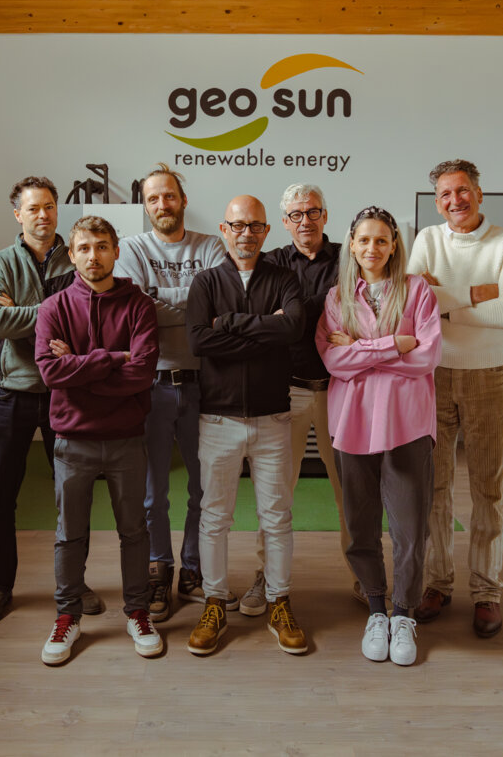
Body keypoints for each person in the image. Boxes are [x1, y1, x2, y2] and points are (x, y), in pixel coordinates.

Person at [408, 160, 503, 637]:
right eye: (445, 194)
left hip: (490, 376)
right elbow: (416, 303)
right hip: (433, 376)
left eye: (462, 191)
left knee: (489, 488)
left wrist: (447, 302)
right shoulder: (427, 240)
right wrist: (479, 294)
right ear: (438, 203)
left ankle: (486, 590)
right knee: (434, 487)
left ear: (479, 194)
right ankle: (438, 582)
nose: (454, 200)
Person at [316, 206, 441, 666]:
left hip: (407, 423)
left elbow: (426, 357)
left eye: (382, 240)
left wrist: (360, 351)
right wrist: (392, 344)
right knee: (360, 523)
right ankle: (375, 609)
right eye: (364, 239)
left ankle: (403, 613)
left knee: (409, 526)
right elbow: (334, 361)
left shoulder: (417, 291)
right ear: (351, 245)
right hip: (353, 423)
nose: (373, 247)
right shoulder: (336, 298)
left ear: (393, 246)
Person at [35, 216, 162, 665]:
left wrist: (81, 366)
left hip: (127, 438)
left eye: (102, 246)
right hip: (72, 440)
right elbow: (50, 373)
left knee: (134, 531)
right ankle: (67, 616)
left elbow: (141, 374)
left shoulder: (139, 306)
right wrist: (112, 358)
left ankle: (138, 612)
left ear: (116, 251)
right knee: (70, 534)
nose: (94, 256)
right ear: (72, 255)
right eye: (85, 248)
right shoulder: (53, 308)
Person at [0, 176, 101, 627]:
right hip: (10, 393)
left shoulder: (78, 256)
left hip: (63, 393)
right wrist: (53, 311)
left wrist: (24, 312)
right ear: (18, 215)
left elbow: (87, 319)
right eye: (33, 208)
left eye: (49, 206)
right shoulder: (0, 262)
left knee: (73, 496)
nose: (43, 215)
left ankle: (75, 584)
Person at [185, 196, 308, 656]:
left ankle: (279, 601)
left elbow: (292, 329)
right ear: (224, 229)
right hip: (218, 419)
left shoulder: (284, 279)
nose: (246, 233)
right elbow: (199, 341)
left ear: (266, 231)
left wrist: (230, 324)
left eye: (255, 226)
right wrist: (263, 331)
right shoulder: (206, 281)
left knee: (276, 517)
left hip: (273, 418)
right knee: (215, 516)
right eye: (238, 225)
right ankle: (215, 602)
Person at [114, 163, 236, 622]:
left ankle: (193, 569)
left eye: (169, 196)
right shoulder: (132, 248)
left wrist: (162, 300)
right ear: (145, 206)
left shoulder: (211, 245)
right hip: (153, 386)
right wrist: (195, 304)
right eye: (153, 199)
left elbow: (221, 302)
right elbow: (137, 308)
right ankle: (158, 569)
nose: (162, 204)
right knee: (153, 493)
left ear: (183, 200)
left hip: (205, 386)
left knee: (204, 489)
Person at [240, 183, 362, 616]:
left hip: (340, 390)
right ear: (284, 221)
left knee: (351, 491)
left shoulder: (350, 259)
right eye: (296, 214)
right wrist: (322, 306)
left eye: (312, 212)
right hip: (285, 390)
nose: (305, 221)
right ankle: (266, 576)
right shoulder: (270, 262)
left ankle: (364, 576)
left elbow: (354, 313)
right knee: (275, 494)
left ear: (325, 216)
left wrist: (292, 312)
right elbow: (265, 318)